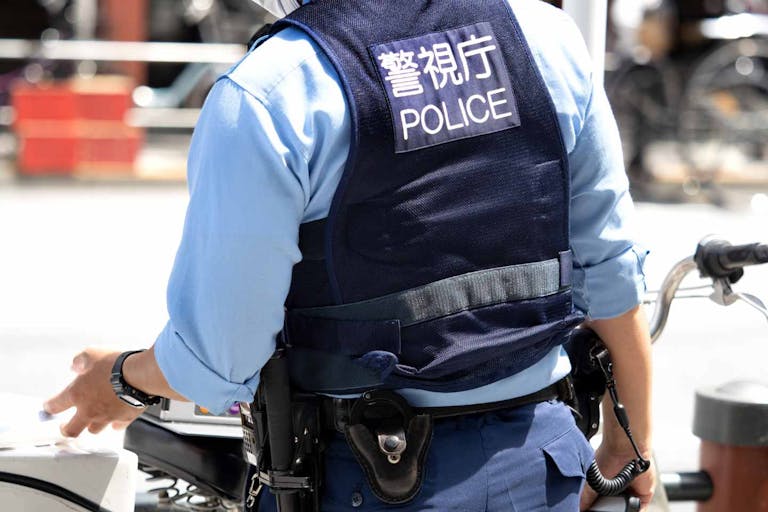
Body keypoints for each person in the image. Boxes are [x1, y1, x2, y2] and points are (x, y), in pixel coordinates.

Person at [44, 0, 656, 510]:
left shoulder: (272, 92)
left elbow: (219, 360)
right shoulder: (543, 38)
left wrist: (123, 378)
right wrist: (634, 445)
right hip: (543, 464)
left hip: (368, 479)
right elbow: (610, 273)